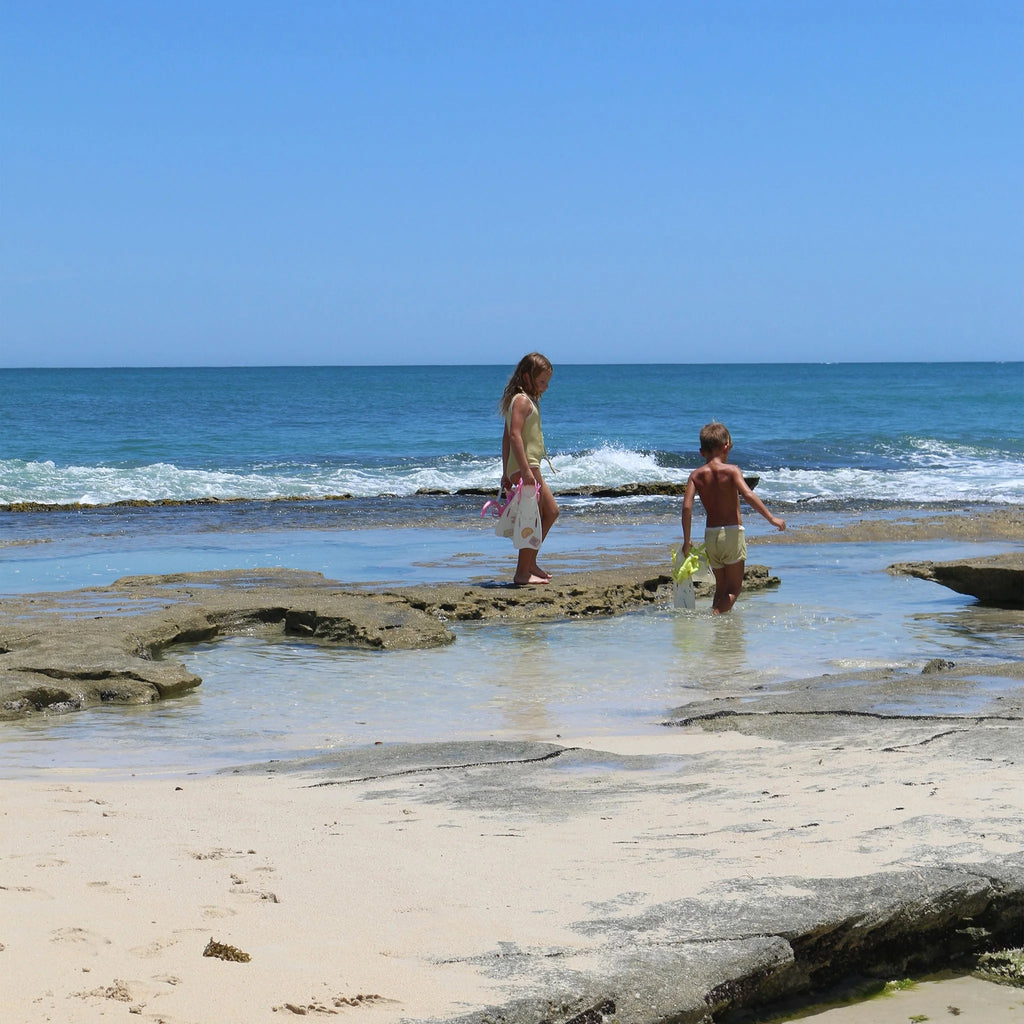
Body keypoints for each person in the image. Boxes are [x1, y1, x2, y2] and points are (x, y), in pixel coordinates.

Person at [682, 421, 786, 614]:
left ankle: (718, 632)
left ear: (701, 452)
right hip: (731, 534)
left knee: (721, 588)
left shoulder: (695, 475)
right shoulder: (732, 470)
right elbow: (748, 495)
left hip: (711, 536)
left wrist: (687, 540)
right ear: (726, 447)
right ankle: (714, 618)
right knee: (734, 589)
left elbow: (687, 507)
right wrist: (772, 519)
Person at [499, 353, 560, 585]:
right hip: (528, 468)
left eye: (548, 382)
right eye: (542, 381)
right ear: (527, 376)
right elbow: (513, 435)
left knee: (548, 512)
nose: (546, 387)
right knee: (534, 518)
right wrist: (523, 471)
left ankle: (530, 562)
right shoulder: (522, 401)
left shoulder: (523, 401)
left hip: (527, 466)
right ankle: (522, 572)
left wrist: (506, 472)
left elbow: (506, 438)